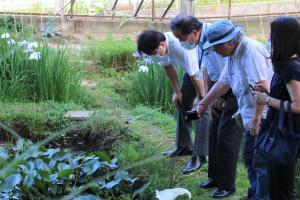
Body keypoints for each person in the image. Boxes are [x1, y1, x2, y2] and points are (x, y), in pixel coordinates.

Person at [195, 19, 273, 199]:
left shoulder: (250, 51)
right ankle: (255, 194)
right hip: (248, 114)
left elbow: (262, 87)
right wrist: (203, 103)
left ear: (229, 42)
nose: (214, 50)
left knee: (260, 162)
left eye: (216, 46)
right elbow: (224, 82)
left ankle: (261, 196)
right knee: (250, 159)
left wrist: (256, 120)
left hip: (263, 117)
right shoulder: (232, 55)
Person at [170, 15, 243, 198]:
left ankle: (227, 185)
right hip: (220, 89)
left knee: (227, 137)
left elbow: (228, 72)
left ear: (194, 32)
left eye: (181, 38)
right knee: (213, 134)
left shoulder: (214, 39)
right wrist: (204, 97)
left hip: (235, 89)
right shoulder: (200, 41)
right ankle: (215, 178)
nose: (181, 42)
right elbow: (206, 69)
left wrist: (219, 97)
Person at [137, 30, 210, 174]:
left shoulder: (181, 47)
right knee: (182, 102)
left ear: (163, 44)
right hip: (192, 72)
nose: (153, 56)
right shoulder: (154, 49)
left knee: (203, 110)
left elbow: (196, 75)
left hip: (204, 69)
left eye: (154, 52)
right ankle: (184, 146)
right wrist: (178, 92)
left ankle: (200, 155)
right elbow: (167, 66)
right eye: (150, 54)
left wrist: (201, 98)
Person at [253, 16, 300, 200]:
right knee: (277, 184)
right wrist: (267, 93)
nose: (269, 37)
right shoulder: (287, 65)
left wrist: (267, 99)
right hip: (282, 131)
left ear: (283, 38)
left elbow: (298, 105)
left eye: (272, 34)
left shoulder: (291, 67)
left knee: (282, 188)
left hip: (286, 135)